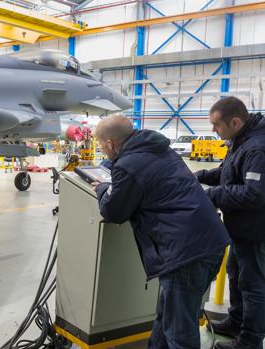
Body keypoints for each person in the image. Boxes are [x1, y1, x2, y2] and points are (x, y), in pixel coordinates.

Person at [93, 114, 230, 349]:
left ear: (111, 144)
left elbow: (115, 212)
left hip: (186, 253)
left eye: (101, 145)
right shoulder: (158, 149)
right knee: (167, 317)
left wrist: (103, 187)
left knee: (180, 332)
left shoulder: (127, 165)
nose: (102, 150)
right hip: (207, 243)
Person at [196, 97, 265, 349]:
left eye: (217, 125)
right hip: (241, 228)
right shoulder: (242, 139)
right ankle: (236, 321)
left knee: (253, 286)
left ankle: (250, 341)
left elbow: (254, 194)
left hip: (256, 231)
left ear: (235, 121)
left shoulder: (257, 147)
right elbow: (228, 171)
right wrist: (198, 177)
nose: (213, 131)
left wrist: (210, 194)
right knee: (236, 276)